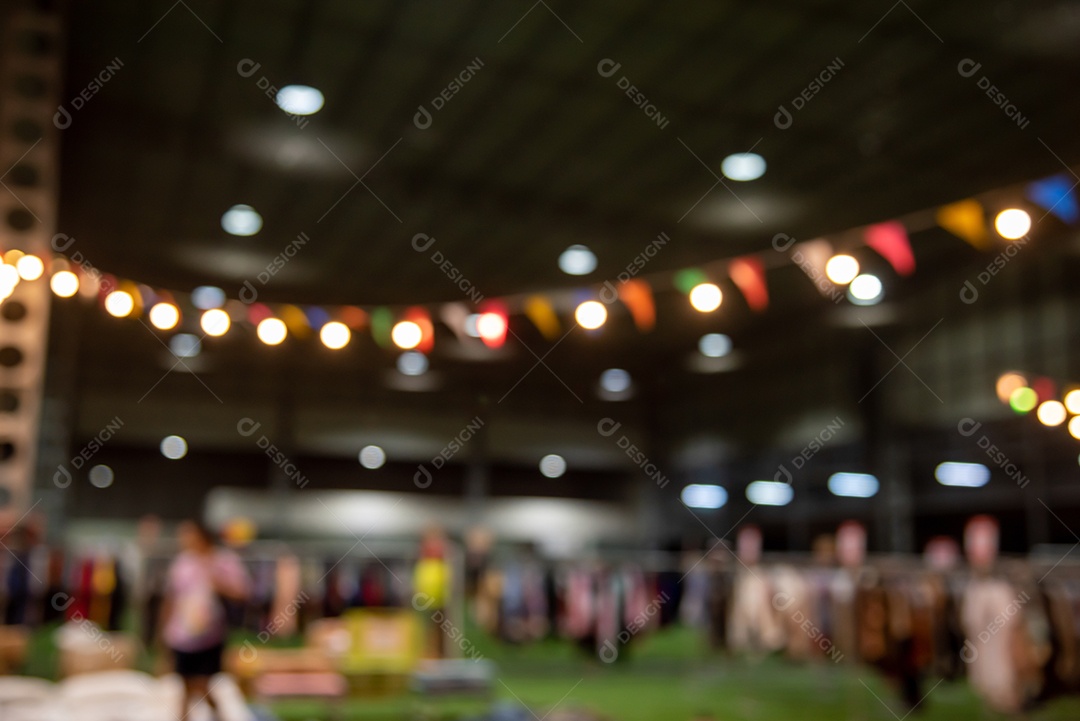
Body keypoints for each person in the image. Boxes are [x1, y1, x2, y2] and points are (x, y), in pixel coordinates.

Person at [161, 520, 250, 720]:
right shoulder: (182, 562)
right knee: (185, 685)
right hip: (182, 633)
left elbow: (241, 592)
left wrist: (217, 581)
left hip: (209, 635)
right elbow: (171, 597)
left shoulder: (223, 560)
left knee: (202, 683)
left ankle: (216, 714)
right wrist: (164, 629)